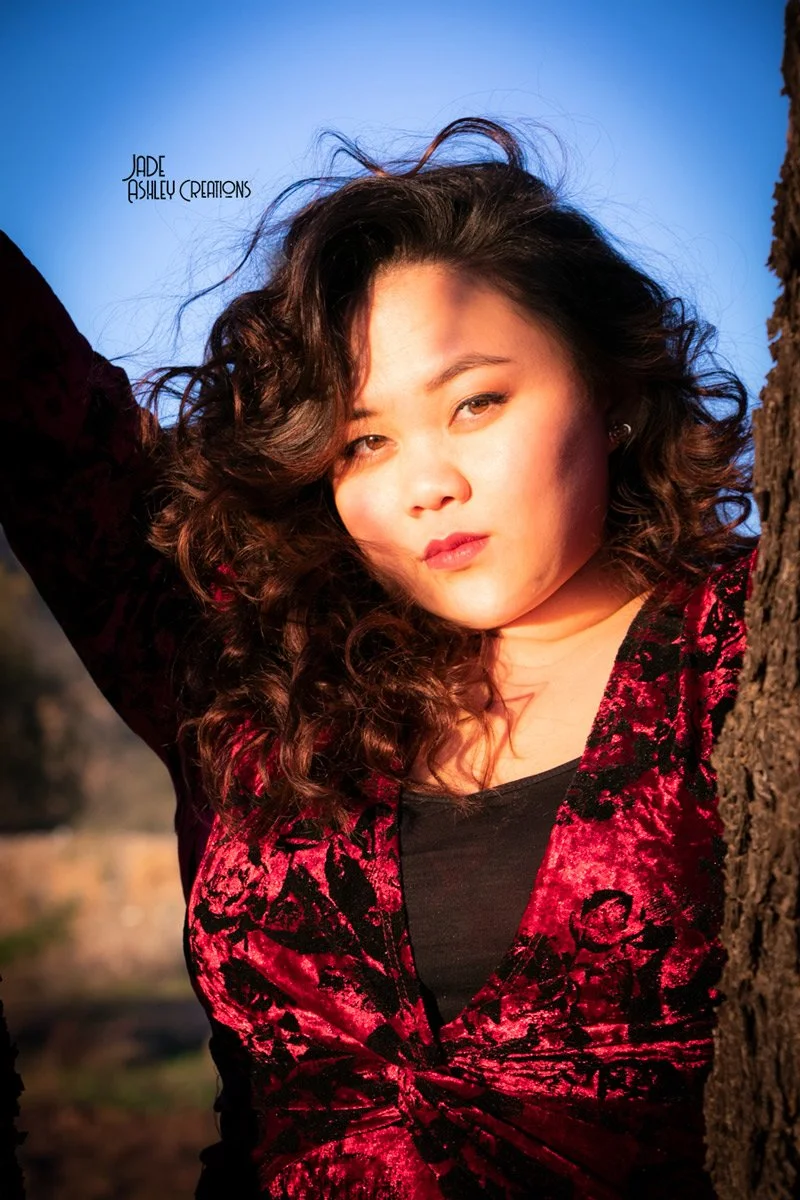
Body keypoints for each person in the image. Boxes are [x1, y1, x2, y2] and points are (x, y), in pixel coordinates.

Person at [0, 116, 759, 1198]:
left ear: (613, 390)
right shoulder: (259, 677)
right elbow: (37, 409)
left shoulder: (748, 656)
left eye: (476, 403)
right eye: (364, 440)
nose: (424, 484)